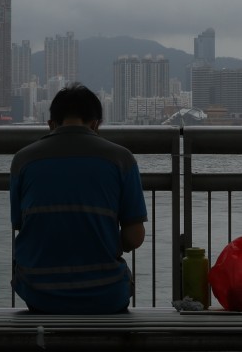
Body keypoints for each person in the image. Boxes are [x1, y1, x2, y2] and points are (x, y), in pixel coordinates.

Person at [9, 83, 147, 314]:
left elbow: (21, 224)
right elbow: (135, 237)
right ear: (95, 124)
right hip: (106, 294)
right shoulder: (122, 159)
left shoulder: (23, 160)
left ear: (51, 124)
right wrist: (106, 237)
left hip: (39, 293)